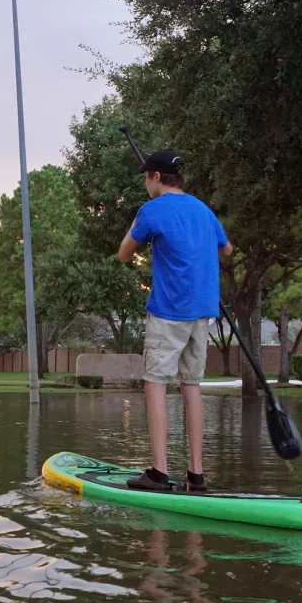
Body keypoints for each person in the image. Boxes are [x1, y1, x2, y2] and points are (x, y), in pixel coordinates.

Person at [118, 149, 232, 492]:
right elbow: (227, 249)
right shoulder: (203, 209)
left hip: (169, 312)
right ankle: (196, 474)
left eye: (145, 177)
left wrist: (138, 224)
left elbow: (124, 254)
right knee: (191, 387)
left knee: (155, 385)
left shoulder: (150, 211)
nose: (145, 184)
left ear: (155, 176)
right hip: (203, 313)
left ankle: (159, 472)